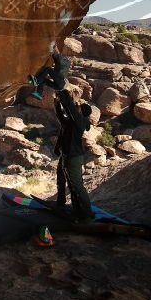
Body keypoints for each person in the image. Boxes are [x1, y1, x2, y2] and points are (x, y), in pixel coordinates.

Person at [53, 89, 94, 222]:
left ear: (81, 112)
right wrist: (57, 104)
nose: (77, 108)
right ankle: (68, 206)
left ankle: (87, 214)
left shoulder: (79, 122)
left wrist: (64, 95)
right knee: (65, 181)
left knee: (77, 186)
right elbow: (61, 117)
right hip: (67, 156)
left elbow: (71, 109)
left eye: (79, 108)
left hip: (73, 158)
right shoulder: (72, 122)